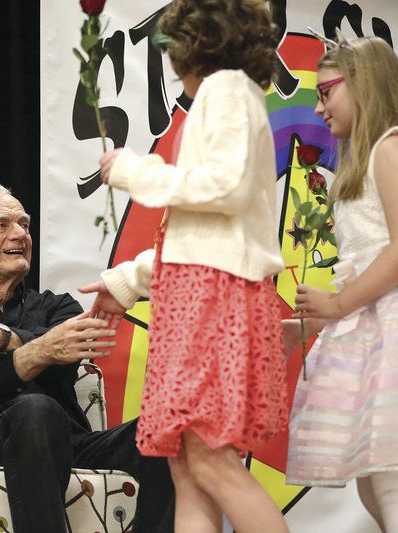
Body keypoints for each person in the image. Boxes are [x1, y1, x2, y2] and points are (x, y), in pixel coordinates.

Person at [80, 1, 290, 531]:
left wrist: (134, 171)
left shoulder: (227, 91)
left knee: (211, 460)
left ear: (199, 44)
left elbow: (224, 188)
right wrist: (127, 280)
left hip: (214, 300)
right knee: (189, 466)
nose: (172, 63)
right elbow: (203, 238)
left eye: (173, 48)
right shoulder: (227, 94)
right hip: (199, 294)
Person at [0, 184, 175, 533]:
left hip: (72, 444)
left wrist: (3, 340)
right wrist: (37, 350)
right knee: (35, 408)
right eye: (1, 224)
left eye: (24, 224)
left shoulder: (57, 306)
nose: (19, 233)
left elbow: (64, 367)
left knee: (169, 426)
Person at [284, 36, 398, 532]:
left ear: (363, 84)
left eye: (326, 92)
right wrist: (311, 323)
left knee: (389, 481)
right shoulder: (367, 161)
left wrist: (335, 305)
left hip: (390, 335)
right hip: (373, 330)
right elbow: (368, 260)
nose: (318, 107)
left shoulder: (389, 148)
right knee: (375, 484)